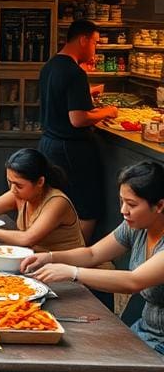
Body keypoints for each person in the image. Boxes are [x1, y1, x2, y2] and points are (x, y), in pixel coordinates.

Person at [21, 161, 164, 353]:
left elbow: (133, 281)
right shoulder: (137, 226)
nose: (123, 210)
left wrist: (73, 272)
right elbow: (93, 253)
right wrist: (49, 257)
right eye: (121, 202)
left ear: (159, 205)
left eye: (131, 204)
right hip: (145, 331)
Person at [38, 18, 119, 242]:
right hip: (70, 148)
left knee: (55, 201)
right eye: (94, 42)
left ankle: (54, 250)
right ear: (83, 40)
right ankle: (77, 255)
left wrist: (87, 93)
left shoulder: (50, 66)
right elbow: (78, 118)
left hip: (49, 144)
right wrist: (109, 112)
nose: (95, 48)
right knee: (87, 207)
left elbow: (58, 98)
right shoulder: (75, 73)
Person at [0, 148, 86, 253]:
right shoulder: (18, 195)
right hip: (37, 261)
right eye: (10, 182)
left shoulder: (57, 202)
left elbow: (27, 238)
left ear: (40, 182)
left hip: (64, 268)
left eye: (19, 185)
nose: (13, 189)